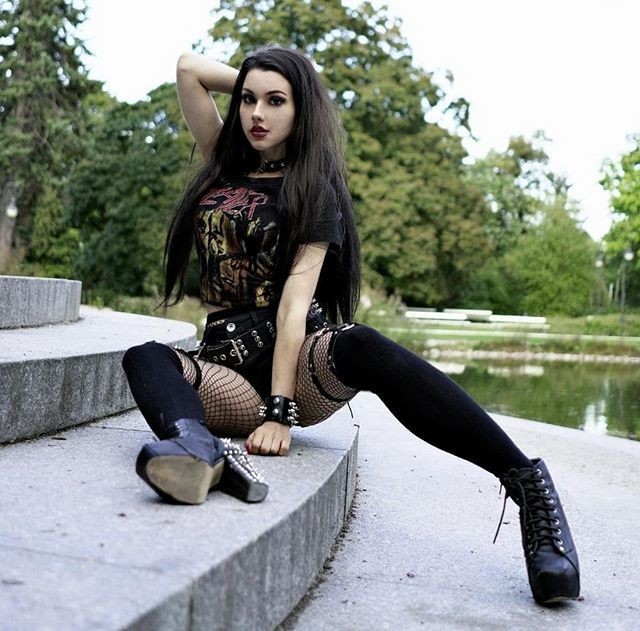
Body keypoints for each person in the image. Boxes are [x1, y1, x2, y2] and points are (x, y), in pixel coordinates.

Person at [121, 46, 580, 605]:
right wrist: (270, 81)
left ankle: (527, 485)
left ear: (302, 111)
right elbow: (188, 69)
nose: (256, 114)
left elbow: (293, 308)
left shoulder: (314, 189)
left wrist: (279, 413)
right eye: (247, 99)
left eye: (276, 101)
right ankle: (198, 451)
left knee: (361, 343)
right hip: (227, 370)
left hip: (300, 364)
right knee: (145, 356)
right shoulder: (225, 160)